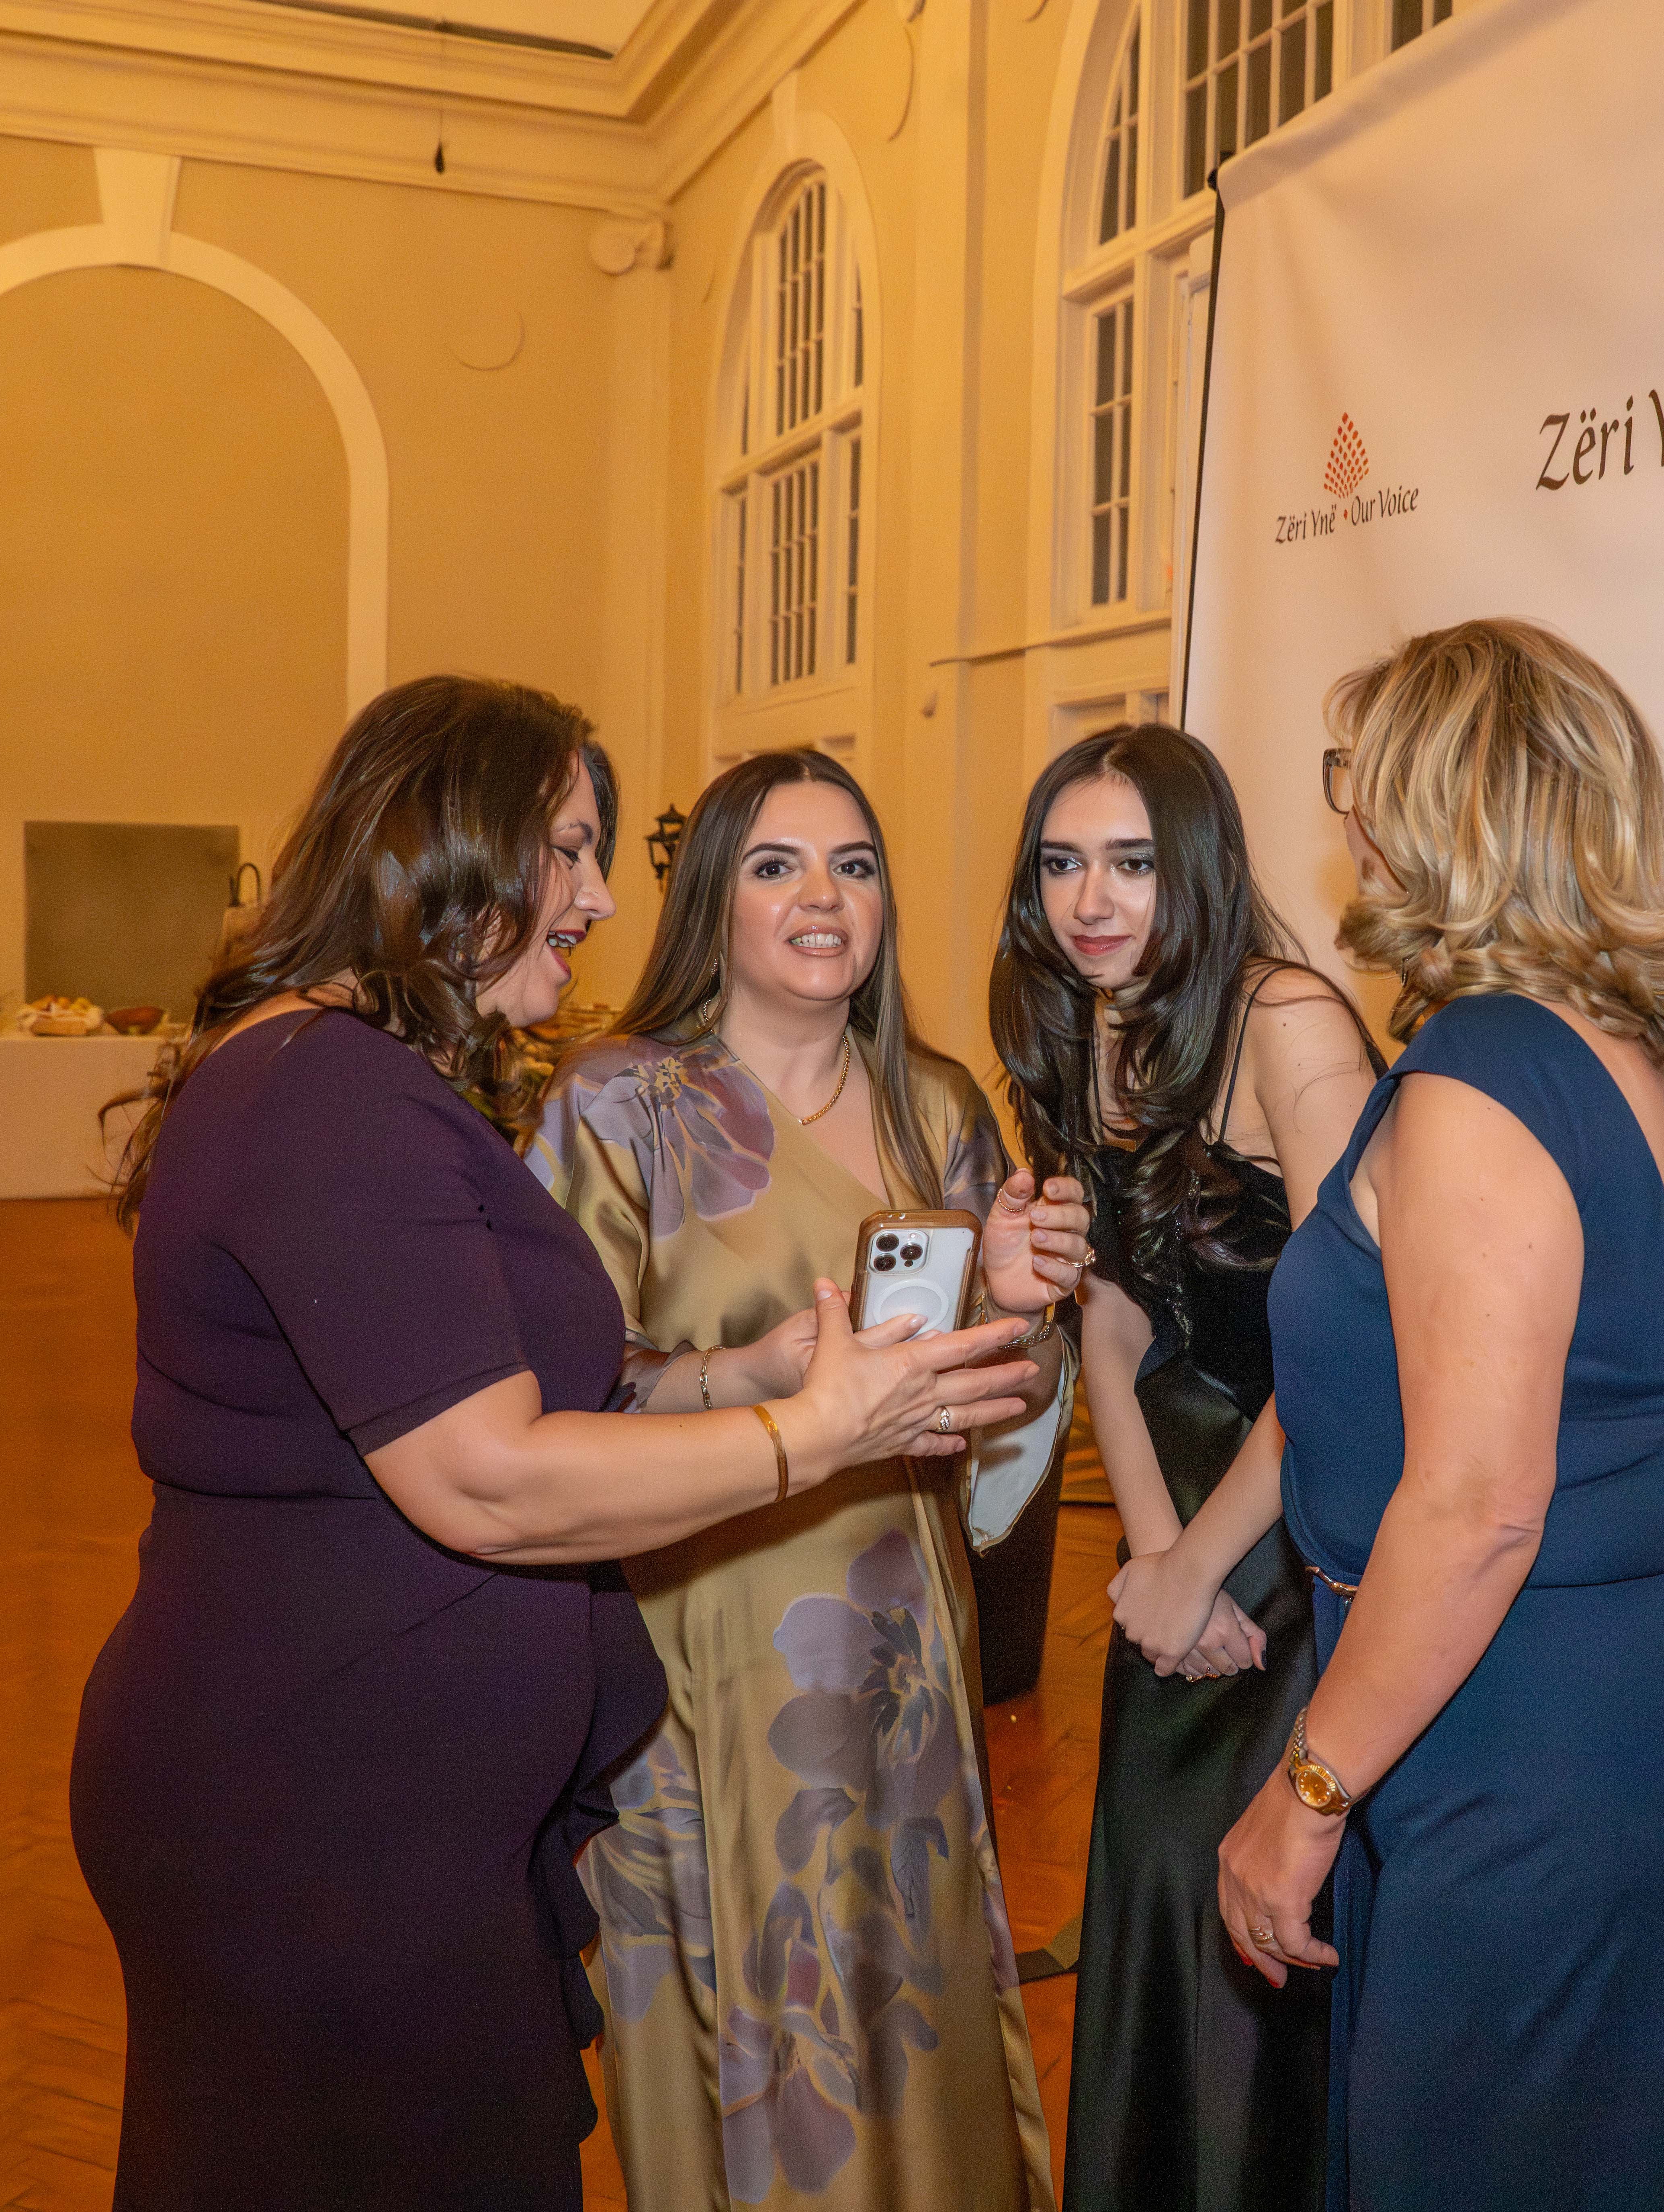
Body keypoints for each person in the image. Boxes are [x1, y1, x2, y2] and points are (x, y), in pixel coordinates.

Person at [70, 677, 1041, 2210]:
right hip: (322, 1828)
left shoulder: (353, 1081)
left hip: (382, 1831)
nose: (599, 894)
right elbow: (490, 1476)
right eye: (572, 849)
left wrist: (752, 1372)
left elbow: (541, 1403)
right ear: (451, 851)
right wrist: (813, 1428)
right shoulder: (332, 1097)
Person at [1219, 621, 1664, 2210]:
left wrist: (1304, 1792)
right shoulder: (1640, 1068)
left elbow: (1477, 1503)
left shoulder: (1483, 1073)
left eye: (1358, 777)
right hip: (1632, 1711)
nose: (1343, 813)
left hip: (1533, 1733)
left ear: (1433, 808)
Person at [528, 748, 1086, 2212]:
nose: (822, 898)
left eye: (853, 864)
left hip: (897, 1638)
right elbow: (556, 1405)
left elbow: (990, 1423)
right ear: (714, 901)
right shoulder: (618, 1110)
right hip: (699, 1634)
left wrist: (1021, 1309)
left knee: (912, 1999)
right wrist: (767, 1375)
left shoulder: (941, 1110)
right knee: (736, 2016)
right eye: (776, 866)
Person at [989, 726, 1379, 2212]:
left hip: (1306, 1528)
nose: (1093, 898)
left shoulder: (1287, 1022)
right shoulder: (1094, 1023)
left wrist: (1205, 1561)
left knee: (1258, 1938)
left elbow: (1355, 1353)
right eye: (1065, 862)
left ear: (1200, 865)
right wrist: (1150, 1564)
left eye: (1134, 863)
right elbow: (1110, 1318)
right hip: (1181, 1536)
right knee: (1156, 1897)